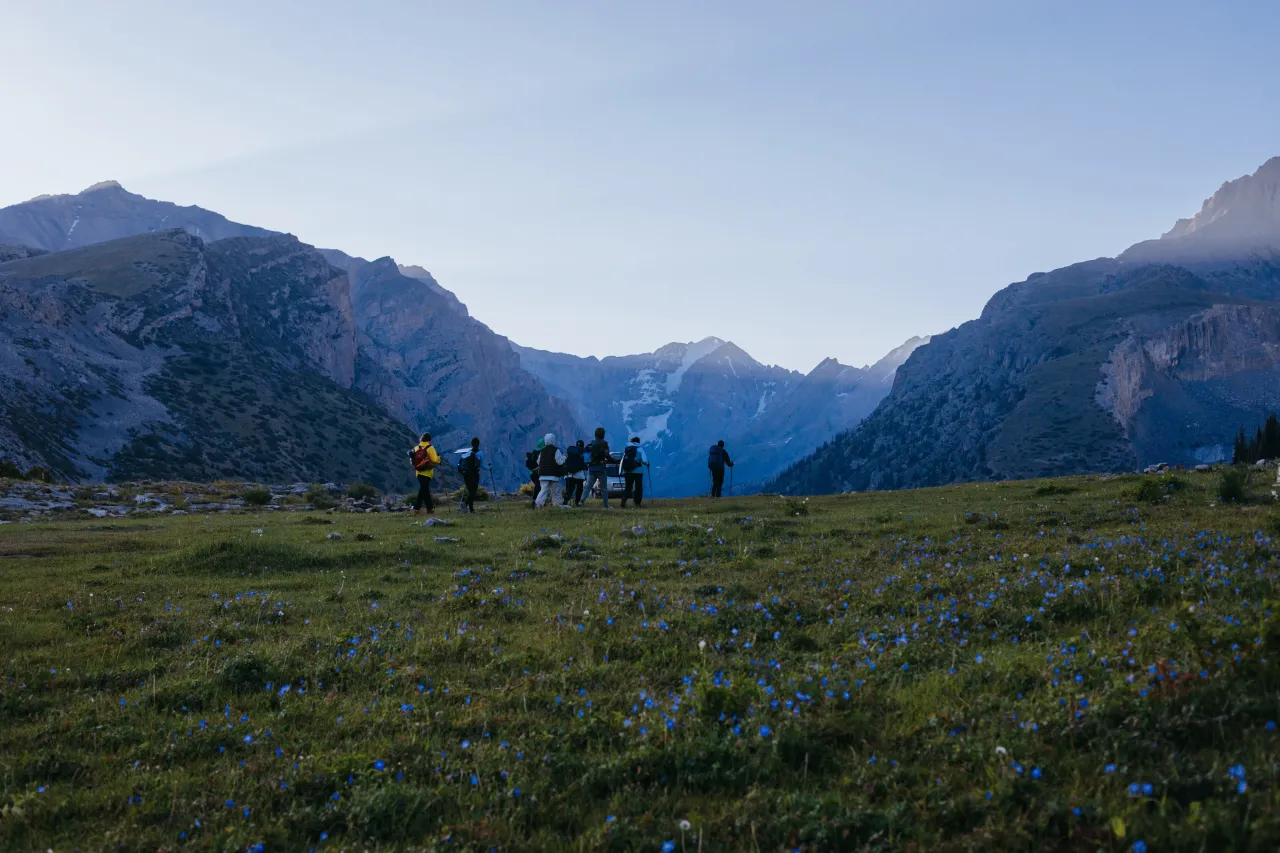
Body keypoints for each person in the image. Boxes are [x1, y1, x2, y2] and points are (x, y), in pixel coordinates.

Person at [408, 432, 441, 514]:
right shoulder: (430, 447)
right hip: (427, 473)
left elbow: (411, 461)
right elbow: (434, 460)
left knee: (425, 490)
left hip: (418, 472)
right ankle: (417, 508)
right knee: (423, 490)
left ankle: (429, 509)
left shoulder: (416, 448)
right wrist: (439, 458)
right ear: (429, 440)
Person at [534, 433, 567, 508]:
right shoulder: (556, 450)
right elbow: (560, 461)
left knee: (543, 490)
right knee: (556, 491)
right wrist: (564, 457)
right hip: (553, 475)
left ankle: (538, 504)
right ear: (553, 440)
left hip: (543, 475)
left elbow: (538, 462)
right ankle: (557, 505)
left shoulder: (542, 451)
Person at [456, 437, 486, 513]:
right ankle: (465, 505)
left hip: (466, 475)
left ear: (471, 444)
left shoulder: (466, 453)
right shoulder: (479, 453)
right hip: (474, 475)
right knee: (473, 492)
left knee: (471, 492)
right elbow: (482, 466)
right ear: (478, 444)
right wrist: (489, 468)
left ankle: (471, 509)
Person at [583, 427, 611, 508]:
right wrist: (612, 460)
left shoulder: (591, 444)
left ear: (595, 435)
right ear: (603, 435)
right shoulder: (604, 444)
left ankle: (581, 501)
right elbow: (607, 455)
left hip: (591, 468)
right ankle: (606, 505)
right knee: (604, 488)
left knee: (588, 486)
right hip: (601, 468)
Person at [620, 436, 649, 508]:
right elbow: (644, 460)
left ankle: (624, 499)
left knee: (628, 486)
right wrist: (647, 463)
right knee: (638, 487)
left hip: (627, 471)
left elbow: (623, 460)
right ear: (638, 442)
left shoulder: (627, 449)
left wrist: (621, 471)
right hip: (638, 471)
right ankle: (637, 503)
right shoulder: (640, 449)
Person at [562, 439, 587, 506]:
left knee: (569, 490)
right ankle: (577, 503)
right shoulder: (581, 454)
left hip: (568, 475)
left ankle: (565, 502)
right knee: (579, 490)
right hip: (579, 475)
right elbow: (583, 465)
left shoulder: (570, 452)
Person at [525, 439, 544, 507]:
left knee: (539, 486)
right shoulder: (540, 453)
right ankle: (536, 502)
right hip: (537, 473)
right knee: (539, 486)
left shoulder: (534, 452)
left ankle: (537, 501)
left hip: (532, 473)